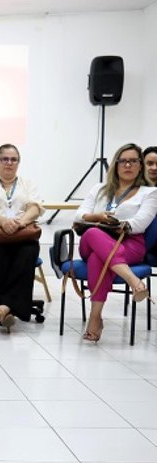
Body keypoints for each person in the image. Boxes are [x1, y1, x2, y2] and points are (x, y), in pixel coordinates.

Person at [74, 143, 157, 342]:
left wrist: (116, 224)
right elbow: (79, 214)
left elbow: (139, 223)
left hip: (129, 242)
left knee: (98, 258)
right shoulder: (99, 188)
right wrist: (98, 218)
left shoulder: (149, 192)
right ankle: (133, 280)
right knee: (94, 233)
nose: (128, 165)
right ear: (116, 164)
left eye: (133, 161)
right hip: (92, 237)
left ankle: (95, 318)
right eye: (123, 161)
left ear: (140, 166)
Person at [0, 144, 44, 332]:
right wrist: (4, 222)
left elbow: (35, 208)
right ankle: (7, 307)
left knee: (27, 253)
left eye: (13, 159)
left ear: (18, 163)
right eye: (4, 159)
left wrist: (20, 222)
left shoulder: (27, 184)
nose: (9, 163)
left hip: (22, 233)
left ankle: (0, 308)